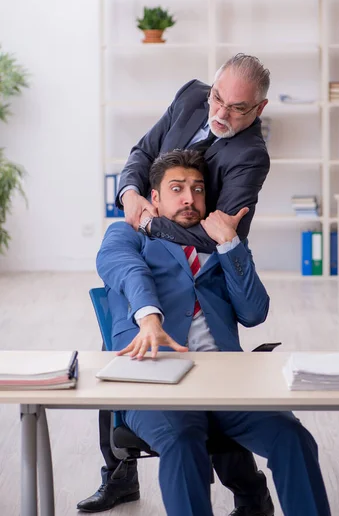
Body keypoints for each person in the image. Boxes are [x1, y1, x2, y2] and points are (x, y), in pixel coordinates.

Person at [78, 54, 274, 515]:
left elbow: (216, 232)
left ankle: (249, 491)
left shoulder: (250, 157)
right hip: (148, 224)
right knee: (122, 341)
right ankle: (120, 474)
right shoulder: (191, 96)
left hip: (193, 251)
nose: (221, 114)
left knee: (209, 364)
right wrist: (131, 196)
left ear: (259, 110)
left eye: (237, 109)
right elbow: (141, 155)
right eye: (218, 99)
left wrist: (154, 220)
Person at [95, 149, 331, 516]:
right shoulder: (128, 234)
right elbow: (125, 270)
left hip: (225, 379)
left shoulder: (220, 241)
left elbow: (254, 313)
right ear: (154, 197)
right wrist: (149, 316)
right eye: (177, 188)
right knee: (182, 440)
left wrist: (230, 245)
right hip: (154, 377)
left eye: (198, 188)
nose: (190, 198)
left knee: (292, 437)